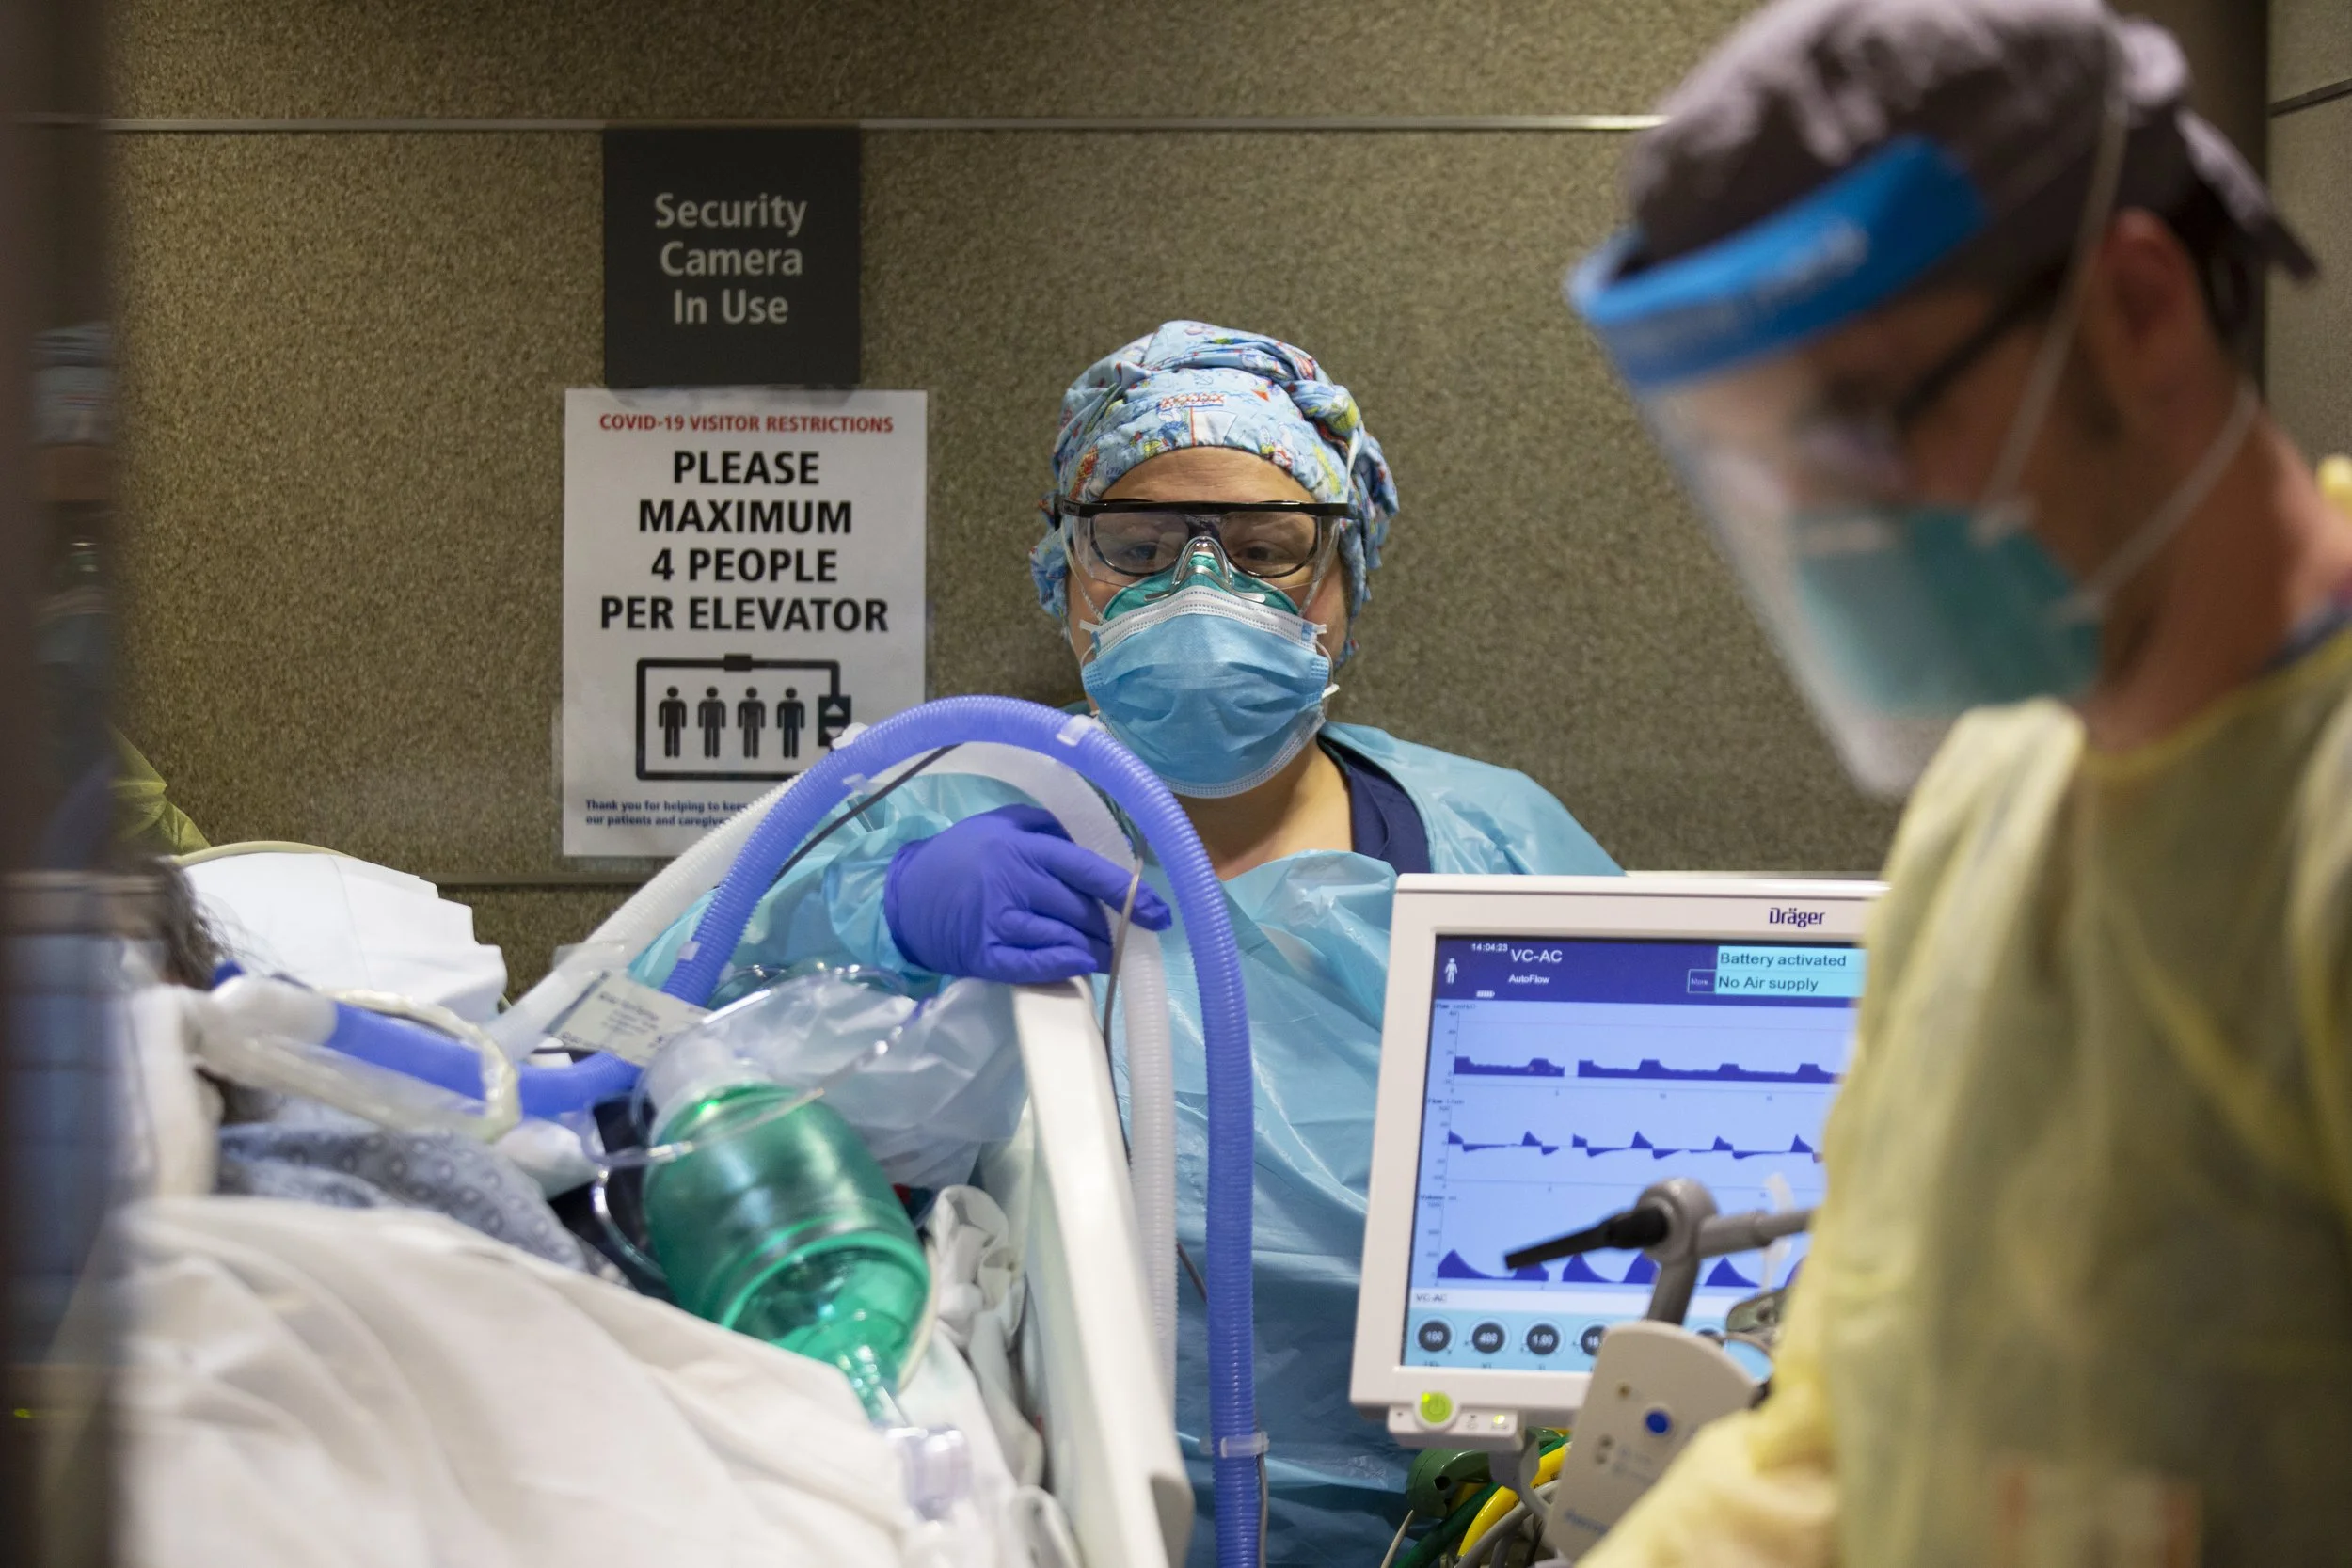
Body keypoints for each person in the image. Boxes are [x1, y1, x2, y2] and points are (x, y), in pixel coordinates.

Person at [1565, 2, 2352, 1563]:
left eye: (1860, 425)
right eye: (1766, 460)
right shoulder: (2001, 780)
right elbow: (1842, 1432)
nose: (1821, 522)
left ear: (2135, 304)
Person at [637, 320, 1619, 1562]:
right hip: (1028, 1507)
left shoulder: (1495, 843)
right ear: (1063, 573)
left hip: (1463, 1515)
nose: (1202, 590)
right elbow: (628, 1048)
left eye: (1267, 549)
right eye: (1138, 546)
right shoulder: (933, 805)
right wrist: (873, 910)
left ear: (1348, 577)